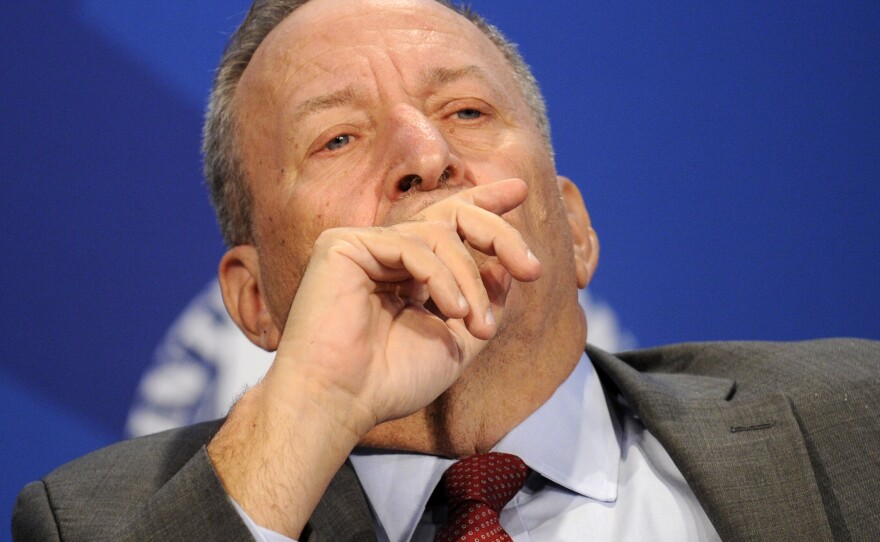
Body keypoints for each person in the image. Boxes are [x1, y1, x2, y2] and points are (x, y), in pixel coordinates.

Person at [12, 0, 879, 540]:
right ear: (255, 302)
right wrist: (309, 410)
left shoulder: (856, 418)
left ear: (574, 230)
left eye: (465, 110)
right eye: (338, 138)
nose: (425, 158)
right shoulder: (93, 522)